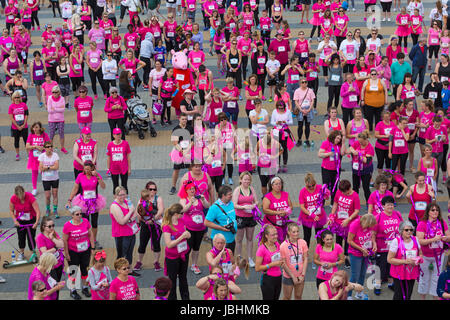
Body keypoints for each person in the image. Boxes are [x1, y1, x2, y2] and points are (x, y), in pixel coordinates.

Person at [67, 161, 106, 249]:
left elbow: (103, 186)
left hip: (94, 202)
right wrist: (69, 199)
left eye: (88, 169)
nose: (86, 171)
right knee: (85, 222)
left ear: (92, 168)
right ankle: (87, 240)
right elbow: (75, 188)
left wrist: (97, 177)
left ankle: (94, 240)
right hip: (83, 203)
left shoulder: (96, 175)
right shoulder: (80, 176)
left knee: (94, 222)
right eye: (85, 169)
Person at [416, 202, 450, 299]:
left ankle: (435, 297)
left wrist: (445, 238)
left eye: (437, 210)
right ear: (428, 212)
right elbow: (420, 241)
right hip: (425, 256)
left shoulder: (442, 222)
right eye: (433, 210)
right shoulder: (422, 224)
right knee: (424, 278)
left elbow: (448, 237)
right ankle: (423, 298)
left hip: (439, 256)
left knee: (437, 278)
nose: (435, 212)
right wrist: (433, 239)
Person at [373, 195, 403, 295]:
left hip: (395, 247)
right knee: (380, 267)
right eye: (388, 205)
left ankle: (391, 283)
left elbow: (402, 228)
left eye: (392, 204)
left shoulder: (397, 214)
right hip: (382, 247)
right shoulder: (378, 217)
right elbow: (373, 233)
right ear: (383, 206)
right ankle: (377, 285)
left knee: (392, 266)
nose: (390, 207)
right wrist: (374, 244)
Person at [62, 206, 94, 300]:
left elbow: (90, 234)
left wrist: (92, 247)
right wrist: (66, 253)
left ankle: (84, 288)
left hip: (85, 251)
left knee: (85, 269)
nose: (79, 216)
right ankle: (73, 290)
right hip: (73, 252)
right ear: (72, 215)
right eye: (77, 214)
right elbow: (64, 241)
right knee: (73, 271)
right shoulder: (67, 225)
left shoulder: (85, 221)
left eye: (81, 214)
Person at [179, 179, 210, 274]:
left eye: (193, 188)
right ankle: (182, 266)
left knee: (196, 248)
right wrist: (190, 202)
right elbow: (183, 210)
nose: (192, 190)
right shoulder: (184, 199)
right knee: (187, 248)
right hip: (189, 228)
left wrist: (203, 199)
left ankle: (194, 265)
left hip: (200, 228)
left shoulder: (199, 198)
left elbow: (207, 206)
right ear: (186, 191)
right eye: (190, 189)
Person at [387, 220, 423, 300]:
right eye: (406, 230)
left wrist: (419, 259)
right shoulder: (396, 241)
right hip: (399, 273)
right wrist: (405, 261)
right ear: (401, 231)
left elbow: (420, 254)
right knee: (399, 295)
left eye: (411, 230)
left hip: (411, 272)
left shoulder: (415, 239)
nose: (409, 232)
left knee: (408, 295)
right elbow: (389, 259)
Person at [162, 203, 191, 300]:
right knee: (172, 280)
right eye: (181, 213)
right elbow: (169, 244)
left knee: (183, 278)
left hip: (183, 254)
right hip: (172, 258)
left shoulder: (182, 221)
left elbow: (186, 233)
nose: (183, 215)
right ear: (175, 214)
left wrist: (188, 235)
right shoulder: (167, 226)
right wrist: (182, 237)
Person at [134, 183, 164, 272]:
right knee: (142, 243)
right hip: (145, 224)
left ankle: (156, 262)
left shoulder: (158, 199)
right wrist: (142, 219)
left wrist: (153, 219)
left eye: (154, 189)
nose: (152, 191)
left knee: (156, 243)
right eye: (150, 189)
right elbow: (137, 212)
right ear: (146, 190)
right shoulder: (141, 200)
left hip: (155, 225)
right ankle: (139, 261)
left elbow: (161, 211)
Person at [347, 213, 377, 300]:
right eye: (369, 226)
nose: (370, 228)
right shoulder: (355, 225)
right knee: (355, 275)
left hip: (366, 252)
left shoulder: (369, 225)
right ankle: (348, 295)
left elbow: (372, 236)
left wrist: (374, 244)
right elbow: (349, 240)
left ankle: (359, 293)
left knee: (363, 274)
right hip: (355, 253)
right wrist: (361, 249)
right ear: (365, 222)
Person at [110, 186, 140, 271]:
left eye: (124, 194)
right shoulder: (114, 206)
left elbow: (136, 212)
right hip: (121, 235)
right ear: (115, 195)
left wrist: (130, 218)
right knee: (122, 255)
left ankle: (129, 271)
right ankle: (121, 272)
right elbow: (122, 221)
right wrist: (130, 213)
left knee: (130, 253)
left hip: (131, 232)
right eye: (120, 195)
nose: (123, 197)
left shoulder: (127, 201)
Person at [232, 171, 258, 268]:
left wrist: (254, 205)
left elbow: (256, 201)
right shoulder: (237, 190)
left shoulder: (251, 189)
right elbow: (234, 204)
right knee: (239, 239)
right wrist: (244, 207)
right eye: (245, 179)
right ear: (241, 180)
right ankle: (239, 258)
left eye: (248, 179)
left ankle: (250, 258)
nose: (247, 181)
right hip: (240, 217)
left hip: (250, 217)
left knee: (250, 238)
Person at [298, 173, 330, 248]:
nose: (312, 187)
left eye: (313, 185)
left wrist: (327, 194)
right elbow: (302, 207)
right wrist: (311, 214)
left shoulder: (319, 188)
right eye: (309, 186)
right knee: (307, 236)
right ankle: (305, 251)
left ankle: (321, 251)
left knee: (319, 235)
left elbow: (327, 198)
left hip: (319, 216)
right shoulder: (302, 192)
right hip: (307, 216)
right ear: (305, 184)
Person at [9, 185, 40, 261]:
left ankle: (33, 253)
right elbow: (11, 211)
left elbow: (38, 211)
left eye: (22, 196)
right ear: (16, 195)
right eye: (19, 197)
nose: (21, 198)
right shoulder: (13, 198)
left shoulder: (30, 196)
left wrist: (36, 222)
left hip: (31, 220)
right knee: (21, 237)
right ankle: (21, 253)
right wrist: (15, 221)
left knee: (31, 237)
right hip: (20, 221)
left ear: (24, 192)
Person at [279, 222, 308, 300]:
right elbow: (283, 263)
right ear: (288, 232)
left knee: (298, 296)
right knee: (287, 297)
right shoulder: (283, 246)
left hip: (300, 275)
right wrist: (292, 276)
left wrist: (303, 274)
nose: (296, 234)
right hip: (288, 276)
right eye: (294, 232)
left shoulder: (303, 242)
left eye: (297, 231)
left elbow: (305, 259)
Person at [205, 185, 238, 252]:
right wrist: (221, 228)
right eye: (229, 194)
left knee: (230, 260)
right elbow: (206, 222)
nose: (231, 195)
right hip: (219, 242)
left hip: (231, 239)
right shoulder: (214, 208)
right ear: (223, 195)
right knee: (220, 261)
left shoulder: (231, 203)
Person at [255, 224, 283, 300]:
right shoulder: (261, 249)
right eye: (273, 235)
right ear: (266, 236)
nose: (276, 236)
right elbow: (257, 268)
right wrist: (272, 264)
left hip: (278, 277)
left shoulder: (277, 244)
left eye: (276, 234)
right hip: (268, 279)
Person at [262, 176, 293, 243]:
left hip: (283, 224)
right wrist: (277, 212)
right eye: (276, 184)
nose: (279, 186)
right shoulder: (267, 197)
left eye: (280, 183)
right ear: (272, 186)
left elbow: (290, 206)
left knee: (283, 242)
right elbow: (265, 210)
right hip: (271, 224)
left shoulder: (285, 194)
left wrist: (286, 212)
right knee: (272, 242)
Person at [318, 130, 345, 205]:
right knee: (325, 186)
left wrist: (343, 143)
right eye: (337, 138)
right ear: (333, 137)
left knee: (335, 185)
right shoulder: (326, 143)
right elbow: (319, 154)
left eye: (339, 139)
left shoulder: (339, 145)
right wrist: (329, 154)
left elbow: (343, 153)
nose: (338, 140)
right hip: (326, 168)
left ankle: (333, 202)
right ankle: (322, 202)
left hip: (336, 169)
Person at [348, 132, 374, 202]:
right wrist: (353, 151)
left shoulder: (370, 148)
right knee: (355, 187)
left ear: (366, 140)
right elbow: (350, 148)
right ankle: (355, 203)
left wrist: (359, 155)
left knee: (366, 188)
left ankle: (369, 203)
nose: (360, 143)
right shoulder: (357, 143)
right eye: (359, 141)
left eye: (362, 142)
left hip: (366, 170)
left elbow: (366, 161)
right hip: (356, 169)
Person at [38, 141, 60, 218]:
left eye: (51, 146)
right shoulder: (42, 156)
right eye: (48, 147)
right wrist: (51, 167)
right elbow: (41, 168)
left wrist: (47, 167)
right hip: (46, 179)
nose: (50, 148)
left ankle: (55, 210)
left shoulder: (55, 155)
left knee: (55, 194)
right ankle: (47, 209)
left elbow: (57, 167)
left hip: (55, 178)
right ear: (44, 148)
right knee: (47, 196)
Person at [107, 128, 131, 194]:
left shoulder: (125, 143)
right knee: (115, 185)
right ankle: (116, 200)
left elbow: (128, 157)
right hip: (113, 168)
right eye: (116, 134)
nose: (118, 136)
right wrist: (108, 169)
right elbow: (108, 157)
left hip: (123, 167)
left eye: (119, 134)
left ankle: (126, 199)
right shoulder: (110, 145)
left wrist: (129, 168)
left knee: (124, 185)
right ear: (113, 135)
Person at [294, 77, 315, 147]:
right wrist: (301, 109)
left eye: (305, 82)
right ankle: (299, 140)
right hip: (301, 109)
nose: (304, 83)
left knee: (307, 126)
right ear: (300, 83)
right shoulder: (297, 91)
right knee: (300, 126)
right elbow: (296, 101)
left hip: (308, 108)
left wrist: (309, 109)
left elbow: (312, 100)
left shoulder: (310, 91)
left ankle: (307, 139)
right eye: (303, 82)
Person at [9, 90, 29, 161]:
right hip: (15, 126)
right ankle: (17, 154)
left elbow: (26, 115)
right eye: (15, 97)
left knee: (26, 140)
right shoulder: (11, 106)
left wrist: (24, 124)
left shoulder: (24, 105)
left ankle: (28, 154)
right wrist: (17, 126)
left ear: (20, 98)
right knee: (16, 140)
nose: (17, 99)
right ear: (13, 98)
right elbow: (11, 117)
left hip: (24, 126)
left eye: (18, 97)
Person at [47, 85, 67, 154]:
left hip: (60, 119)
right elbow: (49, 110)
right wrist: (58, 108)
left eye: (56, 92)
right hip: (51, 120)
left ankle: (62, 147)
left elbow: (63, 109)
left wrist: (54, 108)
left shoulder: (62, 98)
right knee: (51, 134)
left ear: (59, 92)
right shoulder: (49, 98)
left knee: (61, 133)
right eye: (53, 92)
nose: (54, 94)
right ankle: (50, 148)